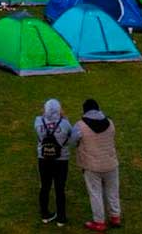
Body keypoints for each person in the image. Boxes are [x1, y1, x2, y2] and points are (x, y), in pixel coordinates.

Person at [68, 98, 120, 231]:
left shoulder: (80, 125)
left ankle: (99, 222)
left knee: (95, 193)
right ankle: (115, 216)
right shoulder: (110, 122)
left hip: (91, 166)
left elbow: (72, 142)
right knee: (112, 190)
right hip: (111, 163)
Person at [35, 98, 72, 227]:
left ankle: (45, 214)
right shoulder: (65, 123)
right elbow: (71, 138)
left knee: (44, 186)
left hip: (43, 158)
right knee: (60, 188)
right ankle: (61, 217)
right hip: (61, 160)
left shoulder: (38, 121)